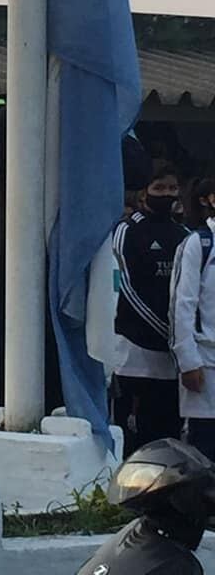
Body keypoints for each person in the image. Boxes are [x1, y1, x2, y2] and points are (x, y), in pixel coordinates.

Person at [113, 164, 187, 452]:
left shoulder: (183, 234)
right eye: (159, 189)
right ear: (144, 192)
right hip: (134, 352)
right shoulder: (127, 231)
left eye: (172, 189)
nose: (167, 195)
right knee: (133, 437)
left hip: (172, 357)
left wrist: (181, 338)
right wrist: (165, 330)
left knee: (167, 434)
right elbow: (127, 288)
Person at [170, 177, 215, 459]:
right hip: (207, 364)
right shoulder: (198, 244)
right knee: (205, 453)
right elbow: (182, 305)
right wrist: (187, 361)